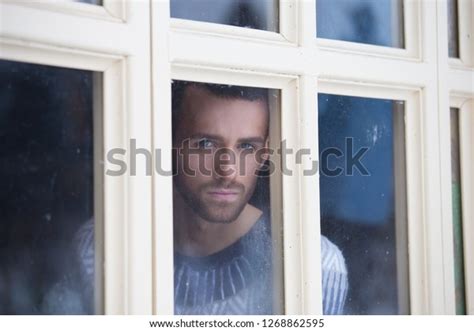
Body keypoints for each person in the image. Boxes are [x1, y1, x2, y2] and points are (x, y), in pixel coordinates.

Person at [42, 81, 348, 315]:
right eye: (205, 144)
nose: (227, 170)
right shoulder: (99, 249)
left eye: (246, 147)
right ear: (168, 144)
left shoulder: (317, 266)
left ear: (264, 154)